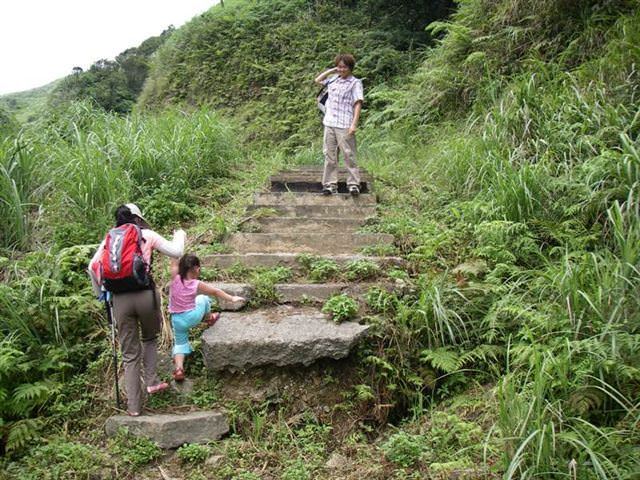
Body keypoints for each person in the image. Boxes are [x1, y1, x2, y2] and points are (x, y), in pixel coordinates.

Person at [89, 203, 186, 416]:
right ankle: (152, 382)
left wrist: (102, 295)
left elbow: (92, 266)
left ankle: (134, 408)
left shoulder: (109, 238)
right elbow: (177, 251)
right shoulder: (146, 234)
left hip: (120, 301)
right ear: (138, 219)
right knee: (149, 338)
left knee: (129, 354)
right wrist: (180, 234)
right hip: (145, 296)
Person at [169, 253, 245, 381]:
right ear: (197, 269)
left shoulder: (175, 278)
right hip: (192, 317)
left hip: (177, 320)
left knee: (180, 343)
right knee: (203, 298)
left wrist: (177, 243)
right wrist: (232, 298)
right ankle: (209, 317)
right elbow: (215, 291)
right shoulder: (196, 283)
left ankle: (179, 369)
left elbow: (173, 261)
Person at [315, 53, 364, 196]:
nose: (342, 70)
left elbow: (358, 104)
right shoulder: (333, 80)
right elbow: (317, 80)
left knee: (349, 155)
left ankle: (354, 184)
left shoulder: (355, 83)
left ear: (350, 68)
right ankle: (330, 184)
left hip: (344, 124)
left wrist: (354, 124)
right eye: (340, 67)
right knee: (330, 155)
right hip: (329, 122)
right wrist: (332, 70)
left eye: (345, 67)